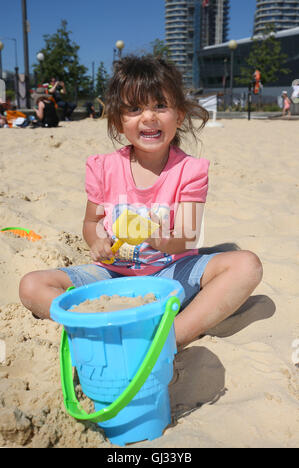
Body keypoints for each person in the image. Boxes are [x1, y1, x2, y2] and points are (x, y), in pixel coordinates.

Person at [19, 55, 263, 347]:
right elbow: (92, 221)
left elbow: (187, 236)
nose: (148, 117)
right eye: (134, 108)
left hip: (170, 274)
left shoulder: (190, 171)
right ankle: (99, 324)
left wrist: (159, 238)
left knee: (247, 266)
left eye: (160, 106)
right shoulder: (104, 168)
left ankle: (169, 339)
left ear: (180, 115)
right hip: (112, 276)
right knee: (32, 286)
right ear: (119, 122)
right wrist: (97, 241)